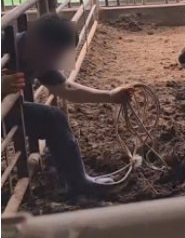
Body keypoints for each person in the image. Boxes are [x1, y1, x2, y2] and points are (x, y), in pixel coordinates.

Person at [1, 13, 133, 197]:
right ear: (37, 40)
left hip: (5, 114)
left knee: (54, 119)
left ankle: (79, 182)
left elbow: (65, 88)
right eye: (51, 55)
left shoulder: (36, 59)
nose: (52, 62)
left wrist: (110, 96)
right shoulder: (4, 46)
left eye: (56, 57)